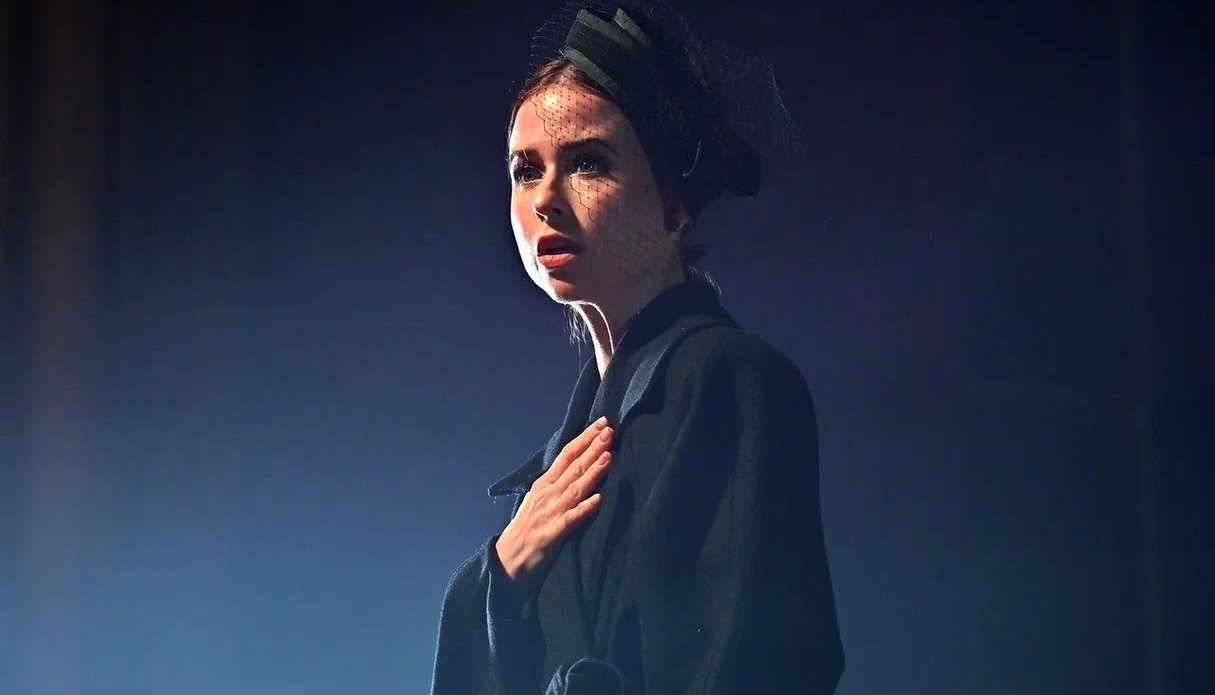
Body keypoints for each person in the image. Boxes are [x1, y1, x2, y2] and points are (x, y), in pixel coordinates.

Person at [429, 2, 844, 693]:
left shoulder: (729, 378)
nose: (545, 199)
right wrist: (498, 575)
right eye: (525, 170)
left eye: (587, 163)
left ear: (674, 204)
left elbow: (759, 661)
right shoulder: (562, 459)